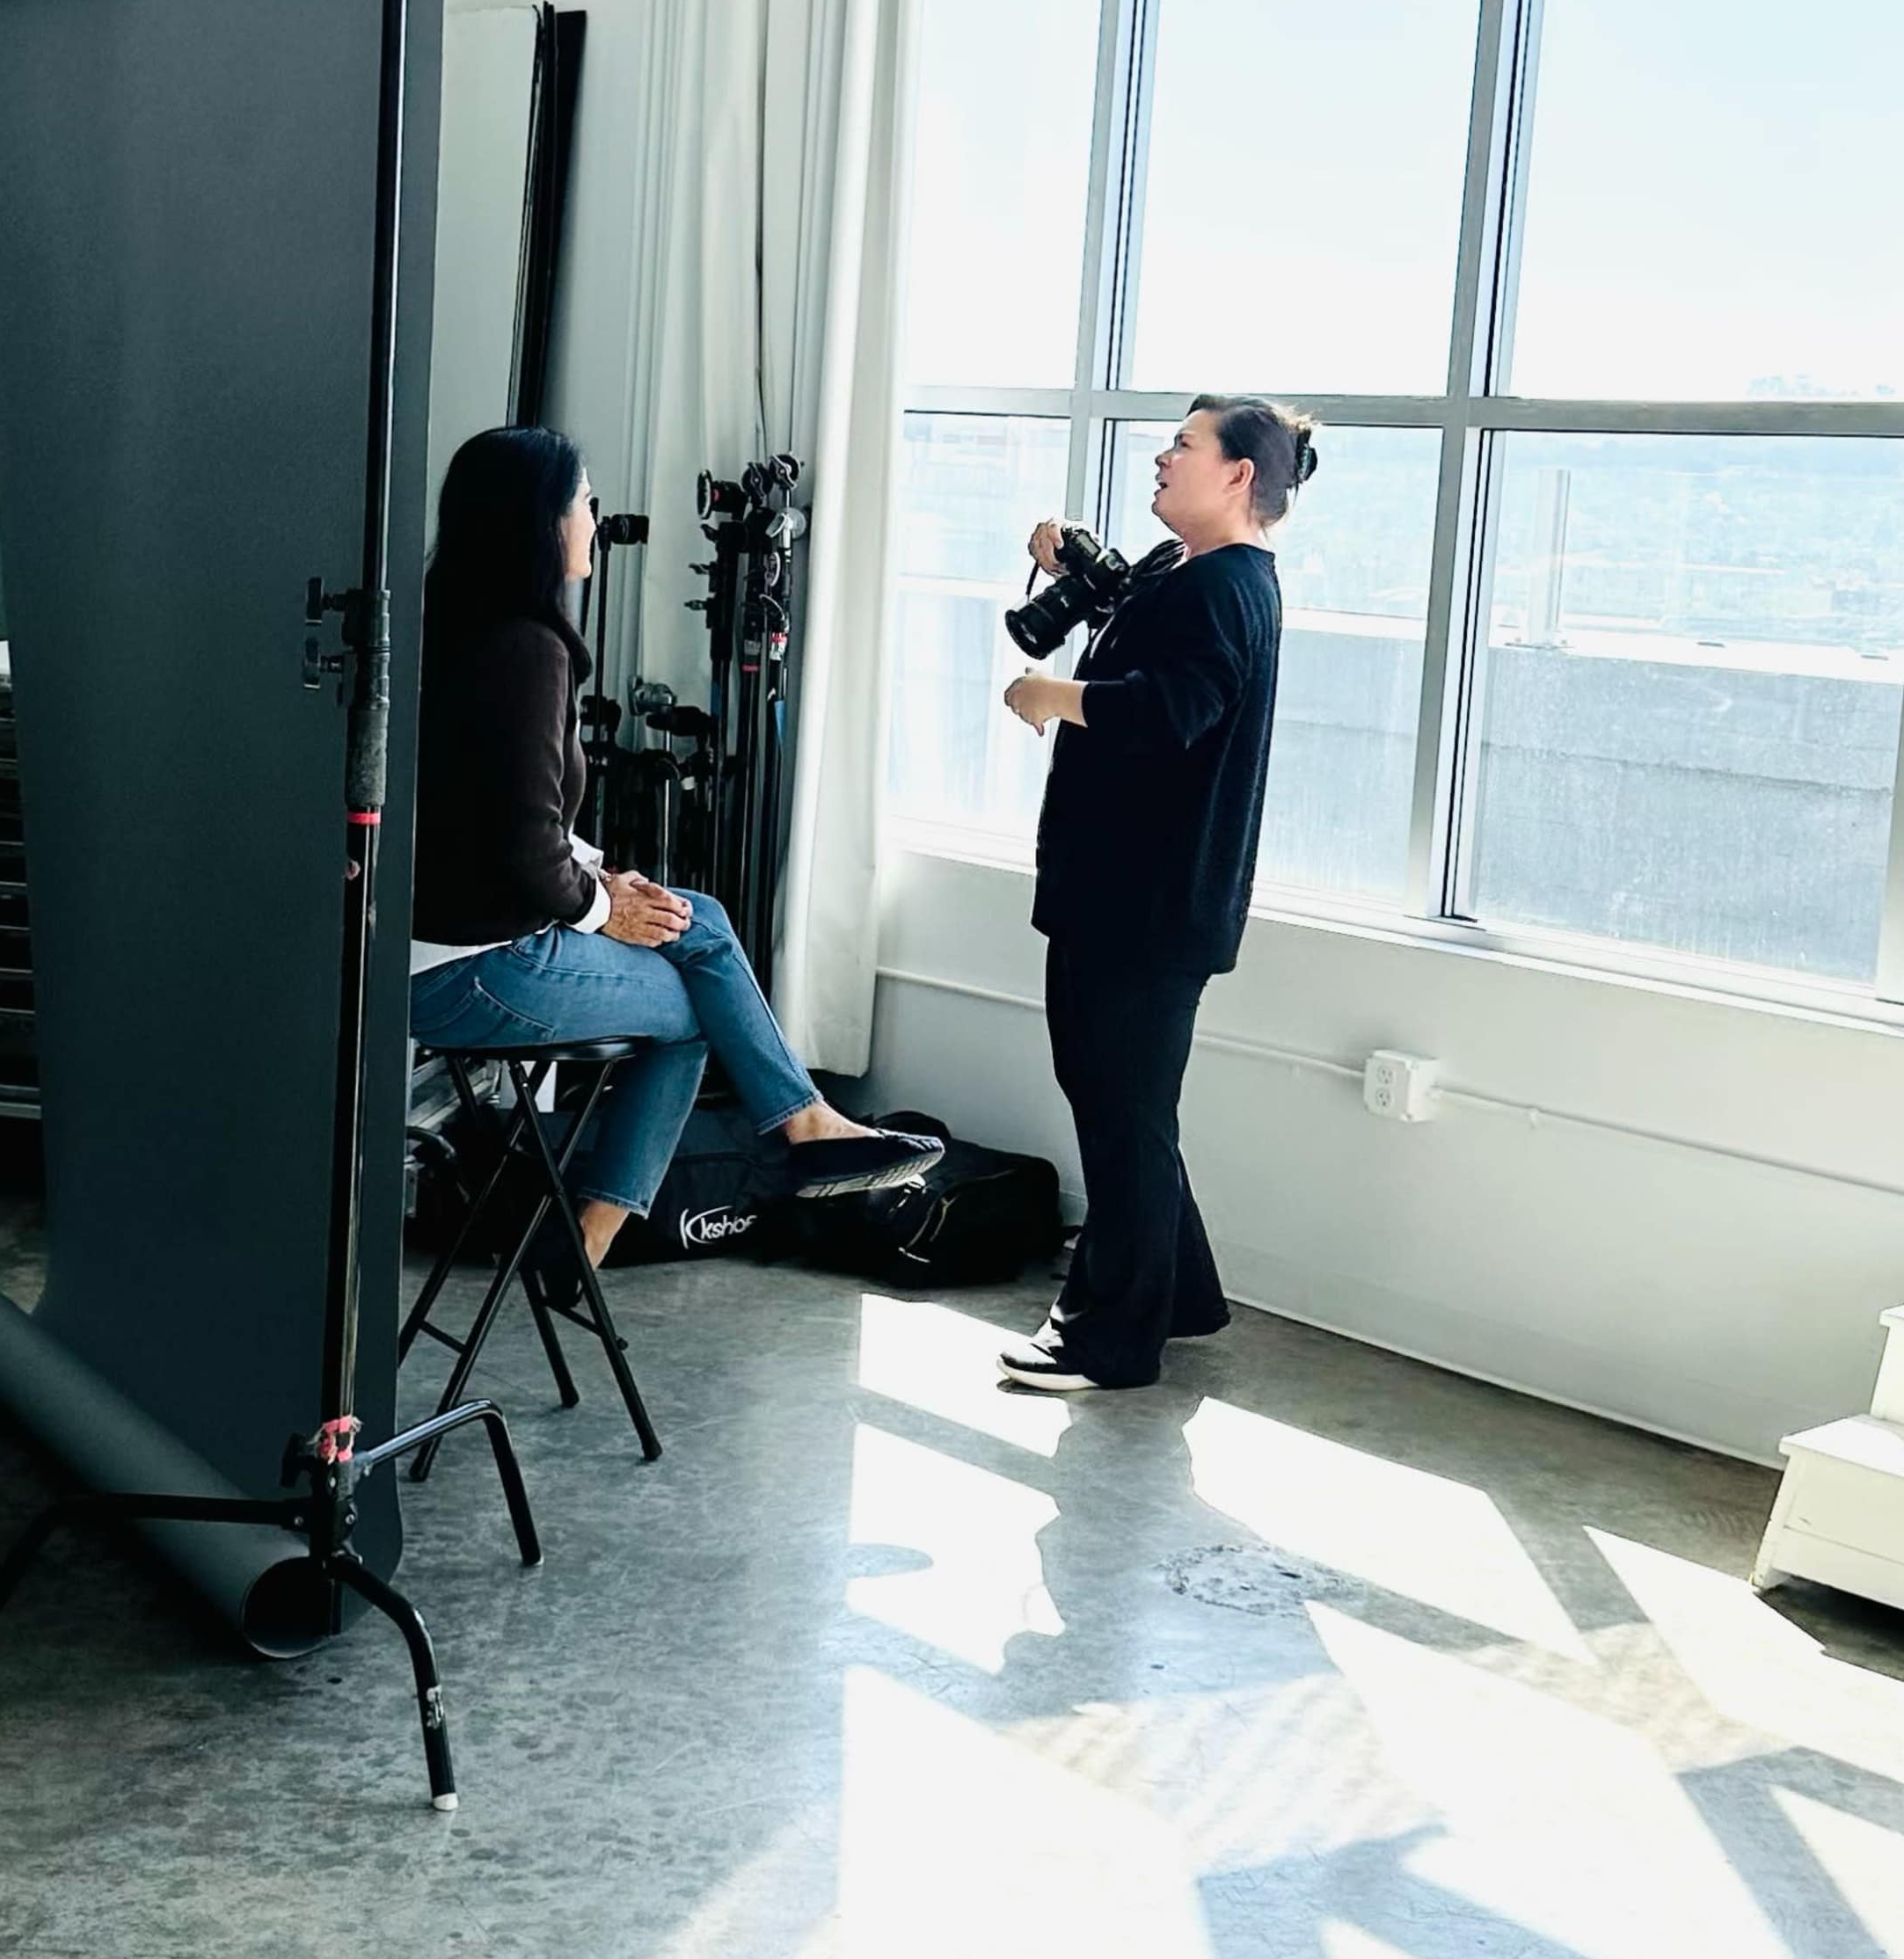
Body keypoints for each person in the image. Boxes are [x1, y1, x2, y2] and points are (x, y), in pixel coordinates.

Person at [410, 426, 934, 1269]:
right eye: (583, 501)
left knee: (704, 929)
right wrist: (596, 909)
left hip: (428, 949)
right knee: (700, 1012)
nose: (592, 517)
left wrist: (598, 878)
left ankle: (783, 1134)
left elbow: (490, 813)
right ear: (539, 521)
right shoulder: (526, 649)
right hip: (469, 967)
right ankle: (615, 1225)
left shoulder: (456, 624)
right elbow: (515, 845)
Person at [995, 397, 1313, 1396]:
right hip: (1130, 889)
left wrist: (1057, 697)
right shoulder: (1192, 570)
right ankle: (1178, 1295)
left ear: (1239, 477)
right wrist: (1075, 577)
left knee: (1120, 1109)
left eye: (1186, 444)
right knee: (1126, 1101)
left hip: (1147, 899)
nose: (1164, 456)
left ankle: (1109, 1338)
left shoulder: (1226, 585)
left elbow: (1176, 706)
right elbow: (1149, 632)